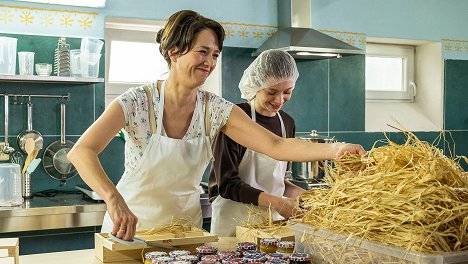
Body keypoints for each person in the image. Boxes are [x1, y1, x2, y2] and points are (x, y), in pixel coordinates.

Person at [67, 10, 366, 241]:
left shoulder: (215, 108)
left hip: (185, 232)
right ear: (174, 52)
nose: (209, 62)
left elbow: (276, 146)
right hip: (131, 227)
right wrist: (113, 199)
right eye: (202, 52)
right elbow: (82, 151)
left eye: (214, 54)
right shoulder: (137, 102)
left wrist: (337, 149)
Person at [208, 49, 305, 236]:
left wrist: (311, 197)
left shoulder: (287, 123)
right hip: (232, 225)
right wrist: (277, 203)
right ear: (255, 85)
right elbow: (227, 184)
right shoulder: (235, 118)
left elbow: (279, 182)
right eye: (271, 92)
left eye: (287, 92)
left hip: (270, 227)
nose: (279, 100)